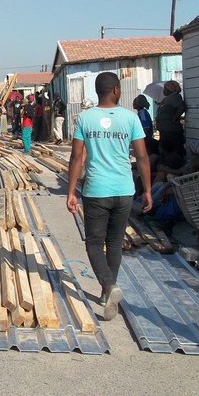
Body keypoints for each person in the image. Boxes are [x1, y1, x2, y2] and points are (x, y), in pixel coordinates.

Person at [66, 72, 152, 321]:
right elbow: (143, 156)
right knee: (114, 243)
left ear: (97, 91)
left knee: (94, 242)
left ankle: (108, 286)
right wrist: (147, 190)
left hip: (96, 190)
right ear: (115, 90)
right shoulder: (130, 118)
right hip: (124, 189)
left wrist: (71, 191)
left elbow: (76, 157)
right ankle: (106, 293)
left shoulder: (85, 118)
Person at [155, 80, 186, 157]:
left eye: (165, 88)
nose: (163, 90)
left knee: (173, 152)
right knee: (165, 152)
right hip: (165, 131)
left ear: (169, 89)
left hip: (172, 131)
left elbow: (181, 107)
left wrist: (174, 117)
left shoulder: (175, 97)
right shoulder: (168, 99)